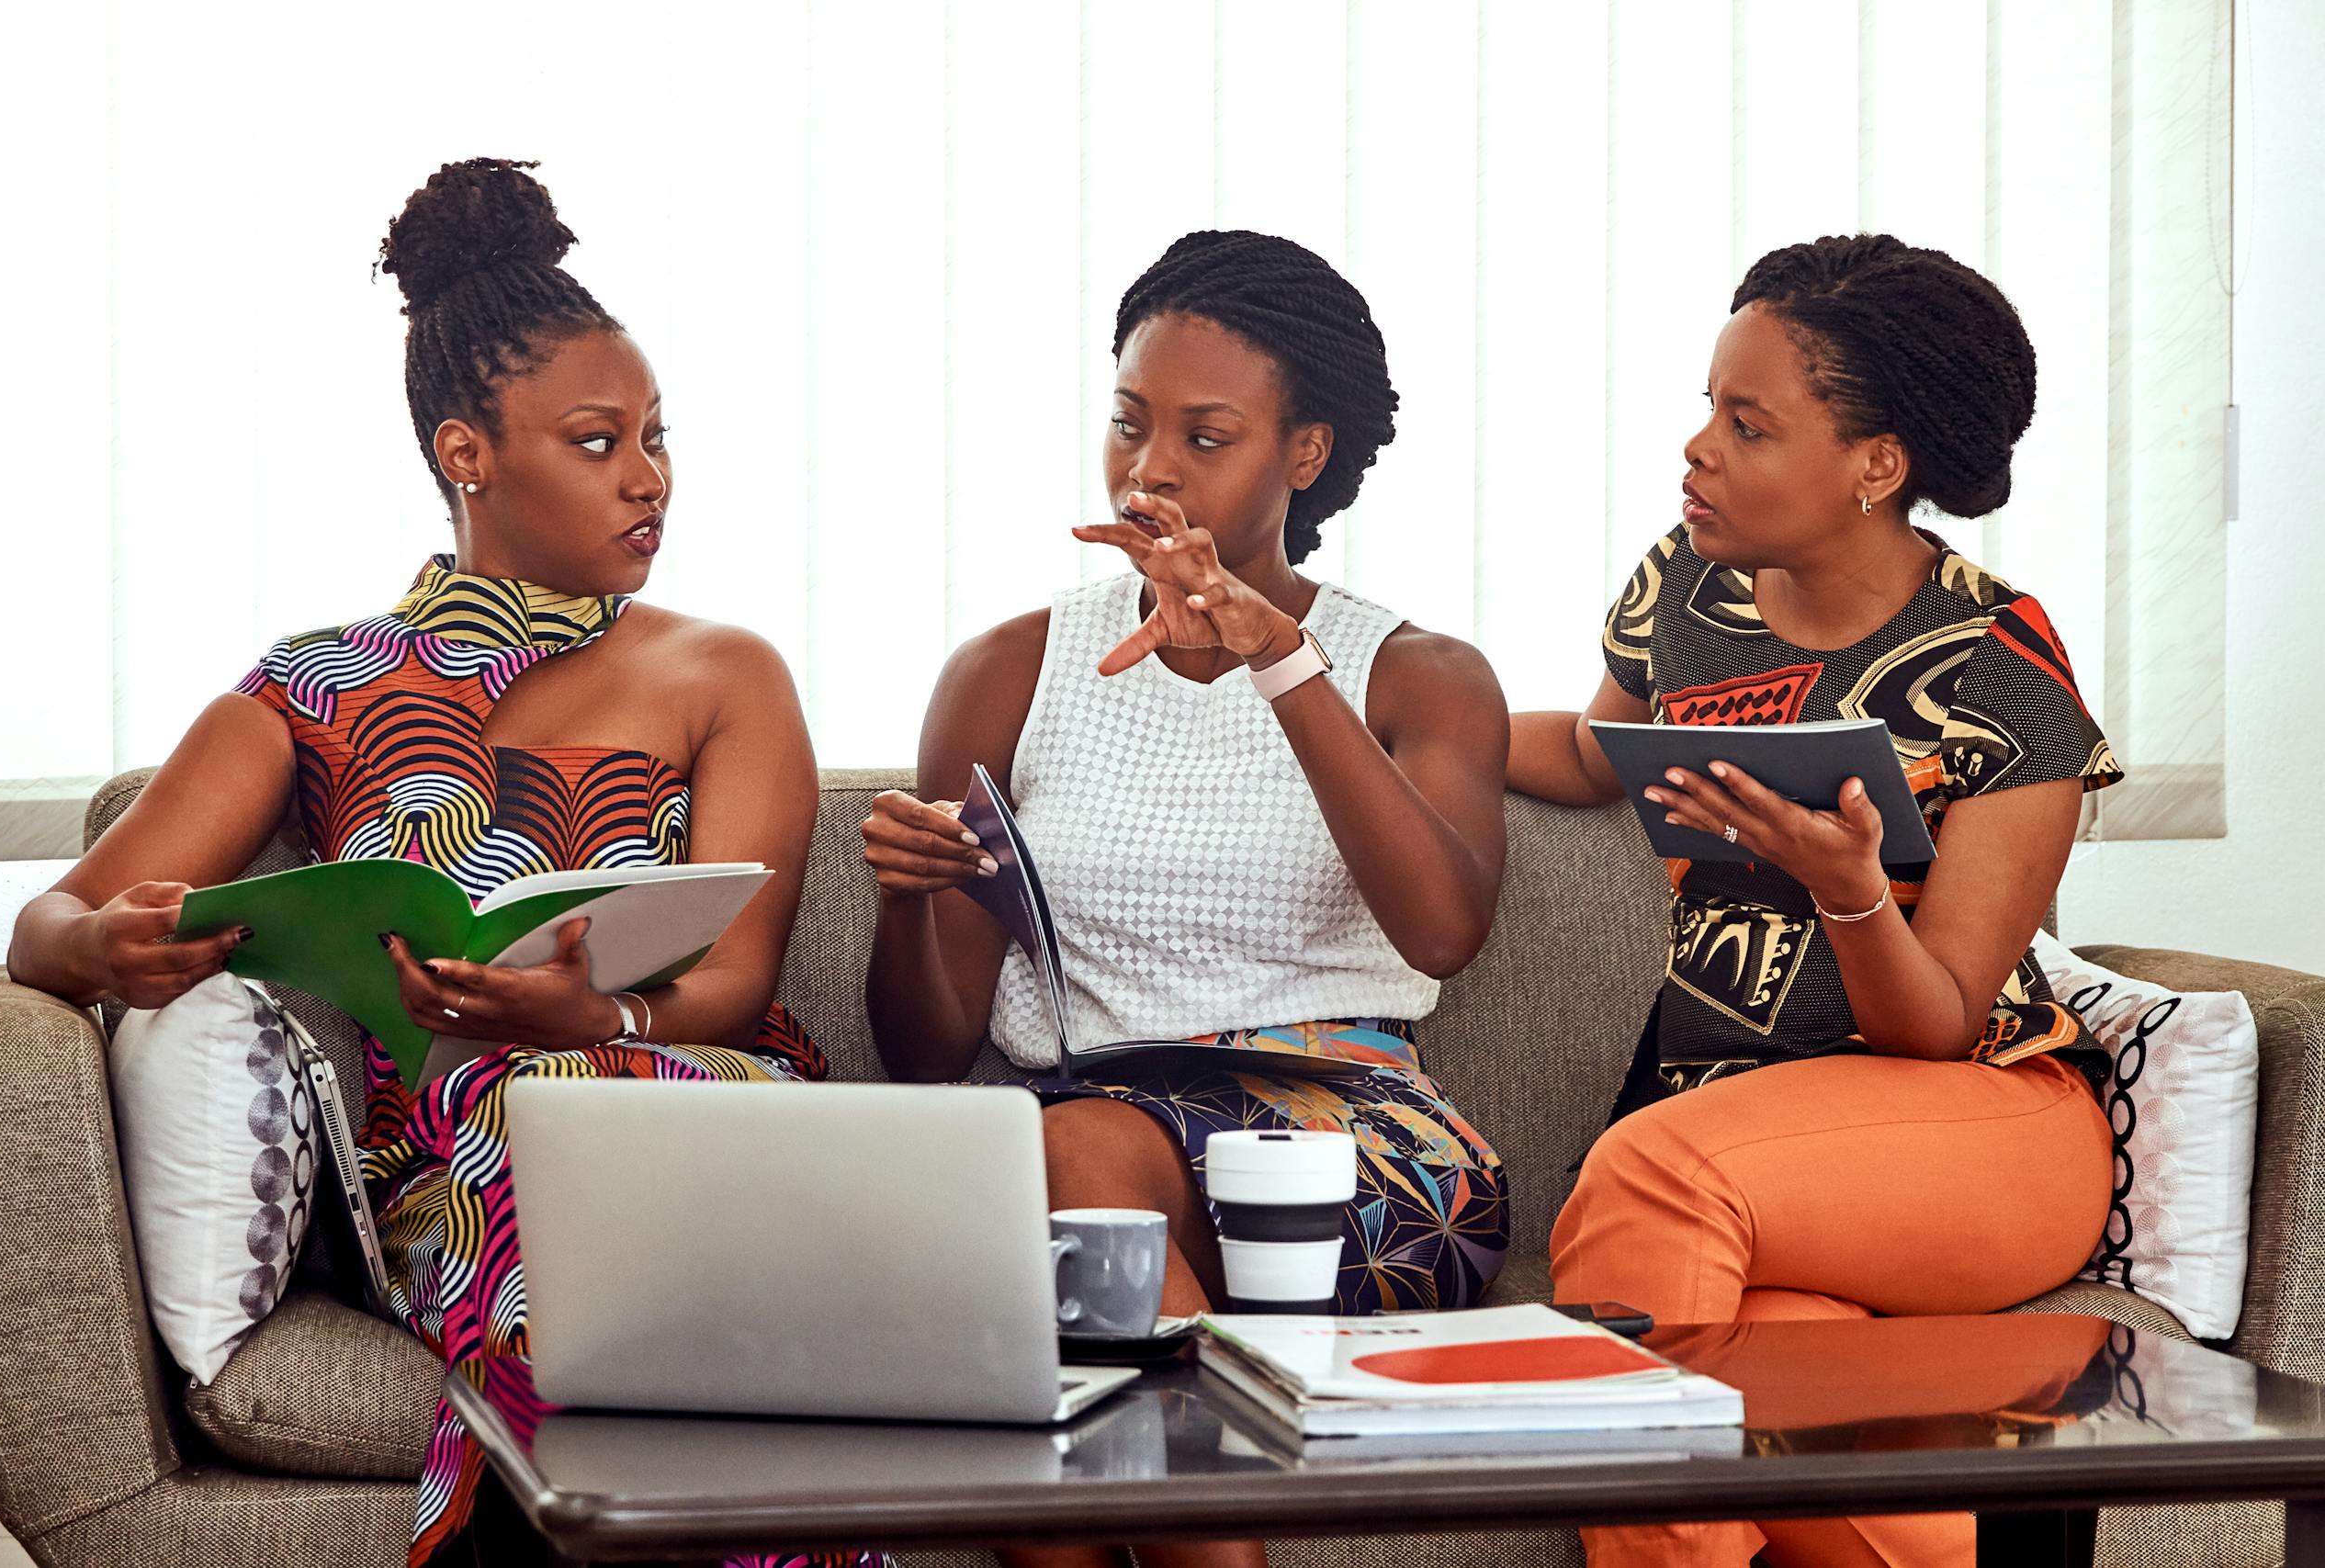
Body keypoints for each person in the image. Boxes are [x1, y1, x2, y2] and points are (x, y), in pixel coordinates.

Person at [6, 158, 867, 1568]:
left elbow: (740, 980)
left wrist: (603, 1020)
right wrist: (93, 951)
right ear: (469, 451)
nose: (649, 476)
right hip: (469, 1163)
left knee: (602, 1123)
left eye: (659, 436)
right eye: (599, 442)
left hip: (704, 1101)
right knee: (533, 1149)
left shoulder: (726, 673)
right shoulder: (312, 686)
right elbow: (57, 917)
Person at [862, 230, 1512, 1568]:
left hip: (1347, 1147)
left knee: (1068, 1223)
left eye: (1204, 435)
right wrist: (912, 895)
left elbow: (1442, 929)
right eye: (1127, 424)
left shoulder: (1417, 676)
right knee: (1063, 1218)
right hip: (1073, 1139)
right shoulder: (1007, 671)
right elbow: (926, 1048)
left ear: (1305, 455)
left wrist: (1286, 662)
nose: (1149, 469)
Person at [1508, 233, 2122, 1568]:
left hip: (1986, 1126)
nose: (1697, 450)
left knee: (1649, 1176)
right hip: (1759, 1160)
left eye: (1747, 422)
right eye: (1706, 408)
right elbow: (1582, 756)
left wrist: (1851, 894)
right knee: (1787, 1398)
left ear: (1875, 467)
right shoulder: (1689, 585)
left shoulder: (2002, 669)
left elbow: (1941, 1023)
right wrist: (1363, 708)